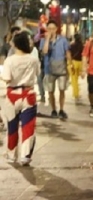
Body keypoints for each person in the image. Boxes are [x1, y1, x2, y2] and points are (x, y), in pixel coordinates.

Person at [0, 31, 40, 166]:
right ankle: (25, 156)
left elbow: (7, 79)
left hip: (12, 96)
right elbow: (38, 74)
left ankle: (12, 154)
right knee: (28, 126)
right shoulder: (33, 60)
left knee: (12, 126)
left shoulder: (9, 60)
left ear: (15, 44)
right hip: (28, 95)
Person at [40, 20, 71, 119]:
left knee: (62, 89)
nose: (51, 31)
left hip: (61, 68)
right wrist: (47, 40)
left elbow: (67, 52)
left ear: (57, 29)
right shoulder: (43, 40)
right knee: (50, 91)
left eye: (53, 29)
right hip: (49, 69)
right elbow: (44, 52)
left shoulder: (63, 40)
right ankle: (53, 109)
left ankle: (61, 109)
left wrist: (70, 64)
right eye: (49, 29)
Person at [69, 34, 84, 103]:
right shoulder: (82, 46)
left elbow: (69, 55)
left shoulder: (71, 45)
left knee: (74, 80)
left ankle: (76, 95)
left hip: (73, 63)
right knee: (76, 79)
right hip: (80, 63)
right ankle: (77, 92)